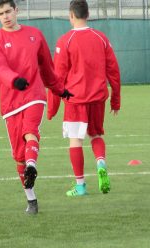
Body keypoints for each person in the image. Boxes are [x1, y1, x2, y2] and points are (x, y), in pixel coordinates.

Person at [0, 0, 73, 214]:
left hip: (35, 95)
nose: (6, 16)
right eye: (1, 13)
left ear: (17, 11)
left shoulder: (35, 34)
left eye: (8, 11)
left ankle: (32, 165)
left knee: (30, 131)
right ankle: (31, 199)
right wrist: (13, 79)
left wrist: (59, 89)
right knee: (18, 156)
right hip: (10, 102)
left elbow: (47, 67)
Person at [48, 0, 121, 196]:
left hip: (75, 100)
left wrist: (52, 108)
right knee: (96, 135)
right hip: (98, 98)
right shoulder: (101, 38)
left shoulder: (65, 41)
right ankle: (101, 162)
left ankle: (80, 186)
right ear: (88, 14)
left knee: (75, 140)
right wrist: (115, 100)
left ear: (71, 16)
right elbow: (113, 71)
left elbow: (58, 77)